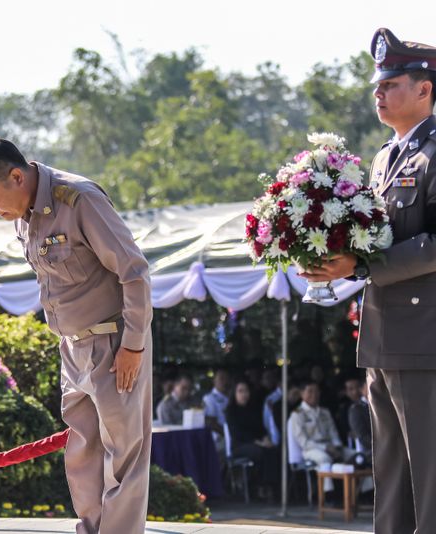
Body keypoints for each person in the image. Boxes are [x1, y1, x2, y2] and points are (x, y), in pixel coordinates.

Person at [0, 136, 153, 534]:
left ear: (16, 176)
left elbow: (134, 273)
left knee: (124, 457)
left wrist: (133, 345)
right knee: (82, 454)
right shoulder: (22, 216)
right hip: (72, 348)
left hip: (114, 344)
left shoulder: (78, 200)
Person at [299, 28, 436, 533]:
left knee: (430, 477)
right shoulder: (384, 158)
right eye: (377, 86)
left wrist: (358, 267)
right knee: (392, 477)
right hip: (382, 336)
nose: (378, 93)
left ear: (425, 89)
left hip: (425, 340)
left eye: (390, 84)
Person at [225, 379, 280, 500]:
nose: (244, 394)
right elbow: (237, 434)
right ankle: (259, 485)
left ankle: (270, 485)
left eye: (246, 391)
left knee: (272, 450)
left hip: (257, 443)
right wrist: (258, 442)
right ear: (234, 393)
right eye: (240, 391)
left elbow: (260, 428)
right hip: (239, 445)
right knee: (259, 452)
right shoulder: (231, 411)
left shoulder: (253, 409)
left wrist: (266, 439)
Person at [203, 368, 230, 453]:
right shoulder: (209, 398)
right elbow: (210, 422)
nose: (225, 382)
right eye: (221, 378)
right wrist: (227, 433)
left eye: (226, 378)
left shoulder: (230, 397)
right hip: (219, 438)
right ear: (214, 381)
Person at [348, 378, 372, 456]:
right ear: (362, 389)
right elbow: (363, 436)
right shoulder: (356, 409)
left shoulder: (383, 405)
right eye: (369, 386)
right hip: (371, 450)